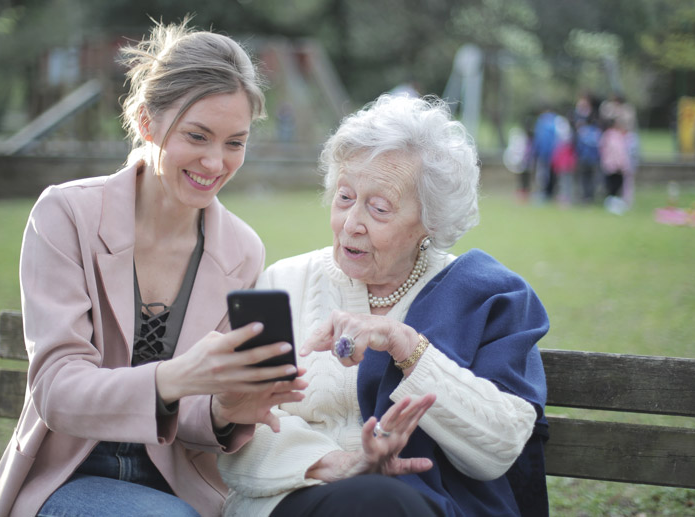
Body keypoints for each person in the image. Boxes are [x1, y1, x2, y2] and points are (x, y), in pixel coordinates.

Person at [0, 20, 307, 517]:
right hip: (69, 477)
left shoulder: (242, 249)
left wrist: (224, 409)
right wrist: (174, 377)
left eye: (235, 143)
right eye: (197, 136)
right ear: (145, 121)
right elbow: (56, 389)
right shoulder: (66, 215)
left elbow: (196, 414)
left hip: (183, 489)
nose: (215, 162)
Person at [217, 94, 550, 517]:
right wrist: (336, 463)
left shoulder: (488, 297)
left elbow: (500, 447)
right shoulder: (284, 283)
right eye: (344, 197)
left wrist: (408, 347)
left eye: (378, 208)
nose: (351, 223)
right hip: (291, 500)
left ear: (430, 222)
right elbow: (238, 423)